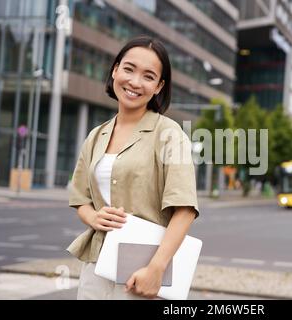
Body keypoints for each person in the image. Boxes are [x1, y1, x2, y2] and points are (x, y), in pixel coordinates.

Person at [67, 36, 199, 300]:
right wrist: (93, 217)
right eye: (129, 69)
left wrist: (156, 268)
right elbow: (80, 198)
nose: (135, 82)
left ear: (159, 86)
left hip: (143, 271)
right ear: (115, 70)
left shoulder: (170, 135)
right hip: (96, 265)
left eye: (149, 76)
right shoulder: (96, 135)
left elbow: (184, 210)